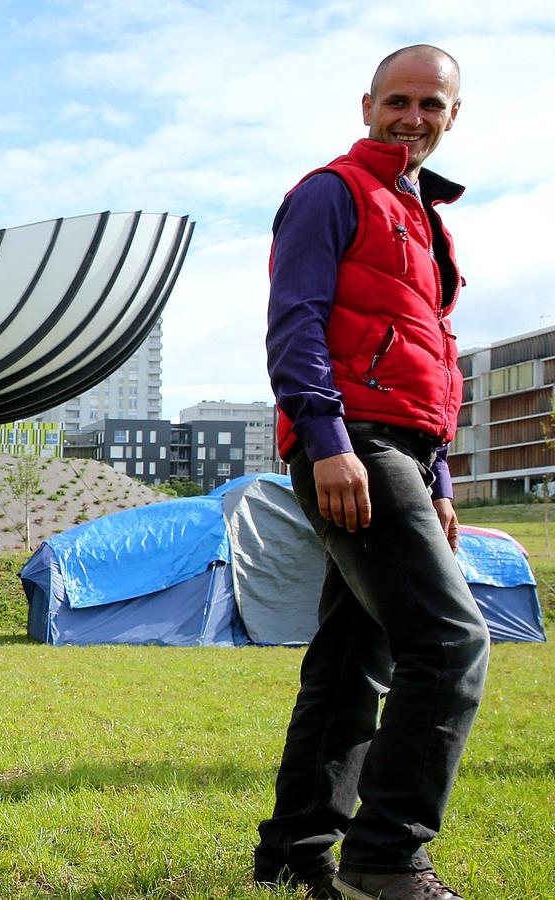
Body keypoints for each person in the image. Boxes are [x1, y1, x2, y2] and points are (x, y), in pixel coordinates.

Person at [256, 46, 489, 900]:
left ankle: (294, 850)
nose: (413, 117)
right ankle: (387, 860)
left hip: (407, 455)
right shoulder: (331, 192)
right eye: (399, 101)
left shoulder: (423, 216)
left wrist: (443, 483)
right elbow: (296, 322)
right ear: (367, 107)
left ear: (451, 116)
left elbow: (433, 358)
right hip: (354, 442)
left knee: (355, 656)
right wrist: (327, 442)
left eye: (432, 104)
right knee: (451, 641)